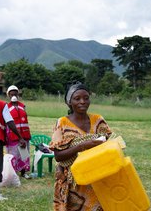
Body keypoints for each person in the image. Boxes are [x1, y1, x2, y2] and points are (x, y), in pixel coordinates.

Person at [49, 82, 112, 211]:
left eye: (86, 98)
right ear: (69, 102)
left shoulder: (98, 120)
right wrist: (82, 146)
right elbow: (58, 157)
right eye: (77, 99)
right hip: (73, 183)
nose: (82, 101)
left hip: (96, 178)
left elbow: (108, 146)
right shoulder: (62, 123)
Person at [5, 85, 31, 179]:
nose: (13, 96)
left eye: (15, 94)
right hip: (13, 136)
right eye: (11, 94)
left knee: (24, 154)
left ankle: (24, 172)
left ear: (18, 94)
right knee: (14, 155)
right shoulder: (6, 107)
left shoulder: (22, 106)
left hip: (24, 135)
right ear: (8, 95)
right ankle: (13, 173)